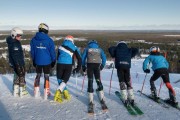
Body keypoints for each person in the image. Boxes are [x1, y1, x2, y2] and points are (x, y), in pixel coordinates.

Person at [30, 23, 56, 100]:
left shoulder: (33, 40)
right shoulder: (49, 40)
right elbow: (52, 52)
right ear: (46, 30)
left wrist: (34, 60)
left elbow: (32, 52)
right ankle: (46, 93)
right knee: (46, 76)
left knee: (38, 75)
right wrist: (53, 60)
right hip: (47, 62)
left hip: (37, 61)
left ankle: (36, 92)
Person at [108, 41, 138, 106]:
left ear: (118, 44)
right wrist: (131, 48)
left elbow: (110, 49)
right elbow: (136, 50)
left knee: (121, 81)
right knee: (128, 81)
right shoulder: (129, 50)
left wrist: (115, 47)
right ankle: (132, 98)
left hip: (119, 66)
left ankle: (125, 98)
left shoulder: (117, 49)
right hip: (127, 66)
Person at [54, 35, 82, 103]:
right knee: (65, 79)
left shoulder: (60, 46)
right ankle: (59, 91)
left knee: (59, 79)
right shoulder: (75, 47)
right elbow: (79, 58)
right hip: (68, 65)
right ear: (72, 40)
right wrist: (78, 68)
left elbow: (57, 57)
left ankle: (65, 92)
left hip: (60, 64)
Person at [82, 40, 107, 111]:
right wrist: (102, 66)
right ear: (96, 44)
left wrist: (83, 67)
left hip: (89, 65)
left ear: (89, 44)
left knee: (90, 81)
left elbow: (83, 58)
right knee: (98, 80)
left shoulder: (87, 49)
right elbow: (104, 58)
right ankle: (102, 98)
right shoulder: (99, 49)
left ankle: (90, 100)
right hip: (97, 66)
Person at [6, 27, 27, 97]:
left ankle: (16, 91)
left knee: (16, 76)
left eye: (21, 35)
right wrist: (18, 65)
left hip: (15, 63)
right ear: (13, 35)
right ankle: (22, 91)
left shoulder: (13, 42)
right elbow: (15, 55)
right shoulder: (15, 43)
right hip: (18, 63)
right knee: (21, 76)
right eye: (18, 35)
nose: (20, 37)